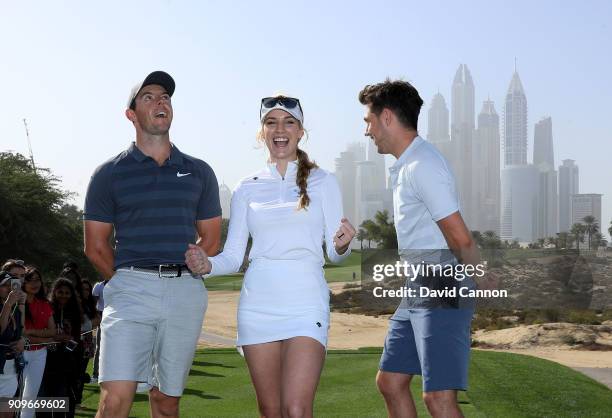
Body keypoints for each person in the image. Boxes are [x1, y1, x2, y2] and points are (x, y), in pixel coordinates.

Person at [186, 95, 356, 418]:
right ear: (261, 132)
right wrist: (207, 265)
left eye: (289, 122)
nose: (280, 129)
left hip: (306, 303)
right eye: (271, 122)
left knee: (296, 409)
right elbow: (235, 257)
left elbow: (334, 253)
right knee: (270, 410)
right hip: (258, 305)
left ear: (301, 131)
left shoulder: (324, 182)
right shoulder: (245, 187)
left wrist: (343, 244)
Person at [83, 71, 221, 418]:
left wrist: (198, 258)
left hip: (185, 293)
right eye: (148, 97)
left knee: (166, 401)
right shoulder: (108, 174)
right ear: (131, 114)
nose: (160, 102)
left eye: (165, 97)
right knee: (115, 399)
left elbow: (212, 238)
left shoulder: (199, 171)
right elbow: (95, 246)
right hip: (130, 291)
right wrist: (129, 279)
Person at [358, 79, 496, 418]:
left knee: (438, 398)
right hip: (418, 283)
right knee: (390, 382)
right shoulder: (407, 165)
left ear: (387, 117)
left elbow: (458, 236)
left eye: (368, 121)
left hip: (441, 282)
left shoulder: (424, 166)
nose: (367, 131)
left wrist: (480, 276)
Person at [38, 278, 83, 418]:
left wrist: (69, 341)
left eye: (67, 293)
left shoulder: (75, 313)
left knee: (62, 397)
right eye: (60, 292)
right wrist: (55, 338)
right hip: (46, 359)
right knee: (44, 400)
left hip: (66, 362)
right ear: (54, 292)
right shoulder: (47, 308)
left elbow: (76, 338)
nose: (63, 295)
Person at [21, 267, 56, 418]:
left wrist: (30, 332)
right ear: (23, 282)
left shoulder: (44, 303)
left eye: (37, 280)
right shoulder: (18, 302)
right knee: (16, 394)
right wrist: (43, 338)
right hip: (21, 352)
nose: (34, 284)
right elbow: (21, 333)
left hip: (39, 353)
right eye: (30, 280)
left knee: (31, 396)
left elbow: (52, 331)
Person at [0, 271, 25, 416]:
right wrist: (9, 304)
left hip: (11, 368)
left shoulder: (14, 309)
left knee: (8, 413)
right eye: (5, 285)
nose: (10, 288)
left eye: (12, 285)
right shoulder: (7, 306)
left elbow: (21, 331)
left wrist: (22, 340)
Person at [76, 279, 99, 404]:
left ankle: (77, 400)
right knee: (75, 373)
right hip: (75, 342)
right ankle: (72, 400)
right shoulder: (75, 304)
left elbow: (97, 320)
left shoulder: (90, 305)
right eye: (82, 289)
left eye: (87, 289)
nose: (85, 292)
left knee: (81, 372)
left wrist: (88, 324)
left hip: (86, 342)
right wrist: (89, 324)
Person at [90, 279, 107, 383]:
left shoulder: (118, 284)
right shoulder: (98, 286)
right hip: (101, 316)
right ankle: (95, 375)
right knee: (99, 347)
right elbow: (93, 304)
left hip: (115, 318)